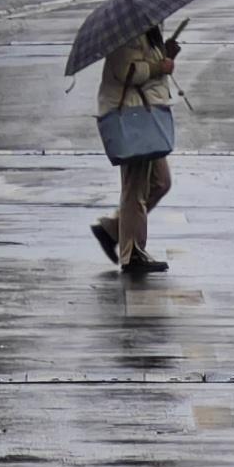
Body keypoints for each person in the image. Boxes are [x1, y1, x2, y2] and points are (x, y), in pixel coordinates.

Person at [92, 18, 181, 278]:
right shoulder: (127, 32)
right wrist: (159, 66)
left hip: (146, 114)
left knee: (161, 182)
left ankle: (112, 230)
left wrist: (165, 53)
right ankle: (132, 254)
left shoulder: (147, 32)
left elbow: (147, 63)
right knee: (135, 188)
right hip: (133, 117)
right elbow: (127, 70)